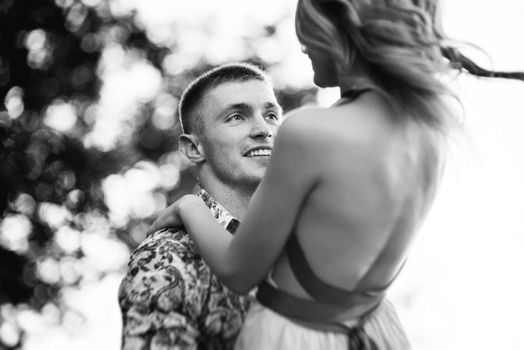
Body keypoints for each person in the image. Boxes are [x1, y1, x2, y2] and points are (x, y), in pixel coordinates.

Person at [149, 1, 524, 349]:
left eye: (305, 29)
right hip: (378, 332)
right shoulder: (432, 132)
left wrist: (188, 208)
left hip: (292, 336)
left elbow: (238, 270)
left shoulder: (310, 132)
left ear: (336, 28)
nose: (303, 47)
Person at [118, 62, 283, 349]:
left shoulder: (304, 243)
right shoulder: (168, 252)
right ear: (194, 148)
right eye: (236, 117)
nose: (263, 129)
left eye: (271, 115)